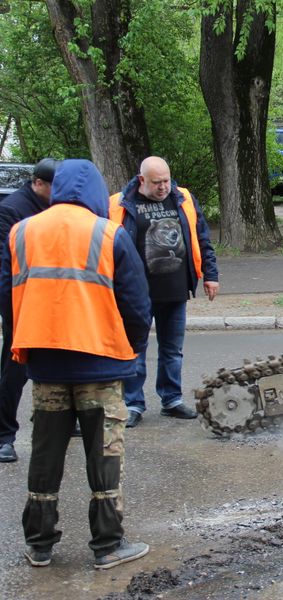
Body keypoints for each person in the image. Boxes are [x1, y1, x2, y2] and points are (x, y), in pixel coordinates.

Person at [0, 159, 152, 569]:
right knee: (104, 456)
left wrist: (24, 345)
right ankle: (107, 546)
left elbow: (8, 298)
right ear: (95, 192)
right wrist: (131, 350)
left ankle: (39, 544)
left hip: (46, 368)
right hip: (100, 365)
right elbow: (137, 305)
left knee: (45, 455)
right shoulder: (109, 234)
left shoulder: (23, 233)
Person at [109, 156, 219, 428]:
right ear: (142, 179)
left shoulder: (183, 198)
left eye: (167, 181)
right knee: (135, 349)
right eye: (157, 182)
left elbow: (201, 236)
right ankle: (133, 404)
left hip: (175, 288)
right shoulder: (120, 203)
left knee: (172, 350)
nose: (163, 187)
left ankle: (171, 399)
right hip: (135, 292)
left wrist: (211, 275)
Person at [0, 159, 59, 463]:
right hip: (21, 303)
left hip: (51, 300)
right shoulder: (12, 209)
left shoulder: (52, 207)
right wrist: (13, 314)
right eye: (54, 186)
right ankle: (4, 436)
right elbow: (5, 269)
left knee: (55, 365)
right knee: (15, 371)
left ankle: (51, 418)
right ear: (39, 183)